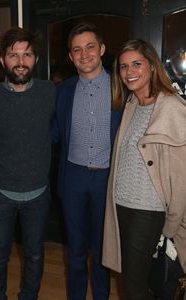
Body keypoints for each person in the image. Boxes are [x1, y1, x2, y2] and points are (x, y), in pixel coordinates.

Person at [102, 39, 186, 300]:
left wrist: (170, 227)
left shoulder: (170, 107)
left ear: (151, 65)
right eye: (124, 66)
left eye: (137, 64)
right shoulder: (133, 105)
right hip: (122, 206)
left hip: (147, 210)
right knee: (136, 280)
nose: (129, 72)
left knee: (134, 287)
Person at [51, 22, 122, 300]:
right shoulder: (63, 91)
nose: (84, 54)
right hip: (73, 180)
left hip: (107, 179)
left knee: (104, 251)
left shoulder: (121, 87)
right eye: (77, 49)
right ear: (70, 56)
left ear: (102, 49)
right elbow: (54, 132)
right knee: (76, 250)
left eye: (90, 46)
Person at [0, 27, 56, 300]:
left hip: (38, 192)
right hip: (0, 194)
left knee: (35, 254)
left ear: (35, 59)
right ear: (3, 60)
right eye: (13, 55)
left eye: (27, 54)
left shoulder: (50, 92)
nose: (21, 61)